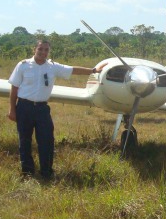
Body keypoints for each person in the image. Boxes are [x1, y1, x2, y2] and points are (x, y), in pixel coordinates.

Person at [7, 39, 105, 179]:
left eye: (46, 50)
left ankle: (46, 172)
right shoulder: (22, 65)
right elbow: (14, 88)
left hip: (42, 109)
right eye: (40, 49)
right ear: (34, 49)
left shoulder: (53, 67)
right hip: (24, 107)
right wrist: (12, 109)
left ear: (49, 51)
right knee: (24, 141)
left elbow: (72, 70)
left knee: (46, 140)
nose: (43, 52)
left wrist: (94, 70)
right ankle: (27, 172)